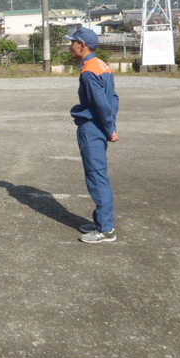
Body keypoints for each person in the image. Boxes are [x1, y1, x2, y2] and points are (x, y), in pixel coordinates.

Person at [67, 27, 120, 244]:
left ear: (82, 44)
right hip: (100, 125)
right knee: (98, 174)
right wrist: (110, 123)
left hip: (92, 128)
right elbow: (113, 99)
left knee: (97, 176)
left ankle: (106, 229)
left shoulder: (89, 71)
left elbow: (101, 104)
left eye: (73, 42)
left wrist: (109, 128)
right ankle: (100, 222)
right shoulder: (101, 65)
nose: (70, 46)